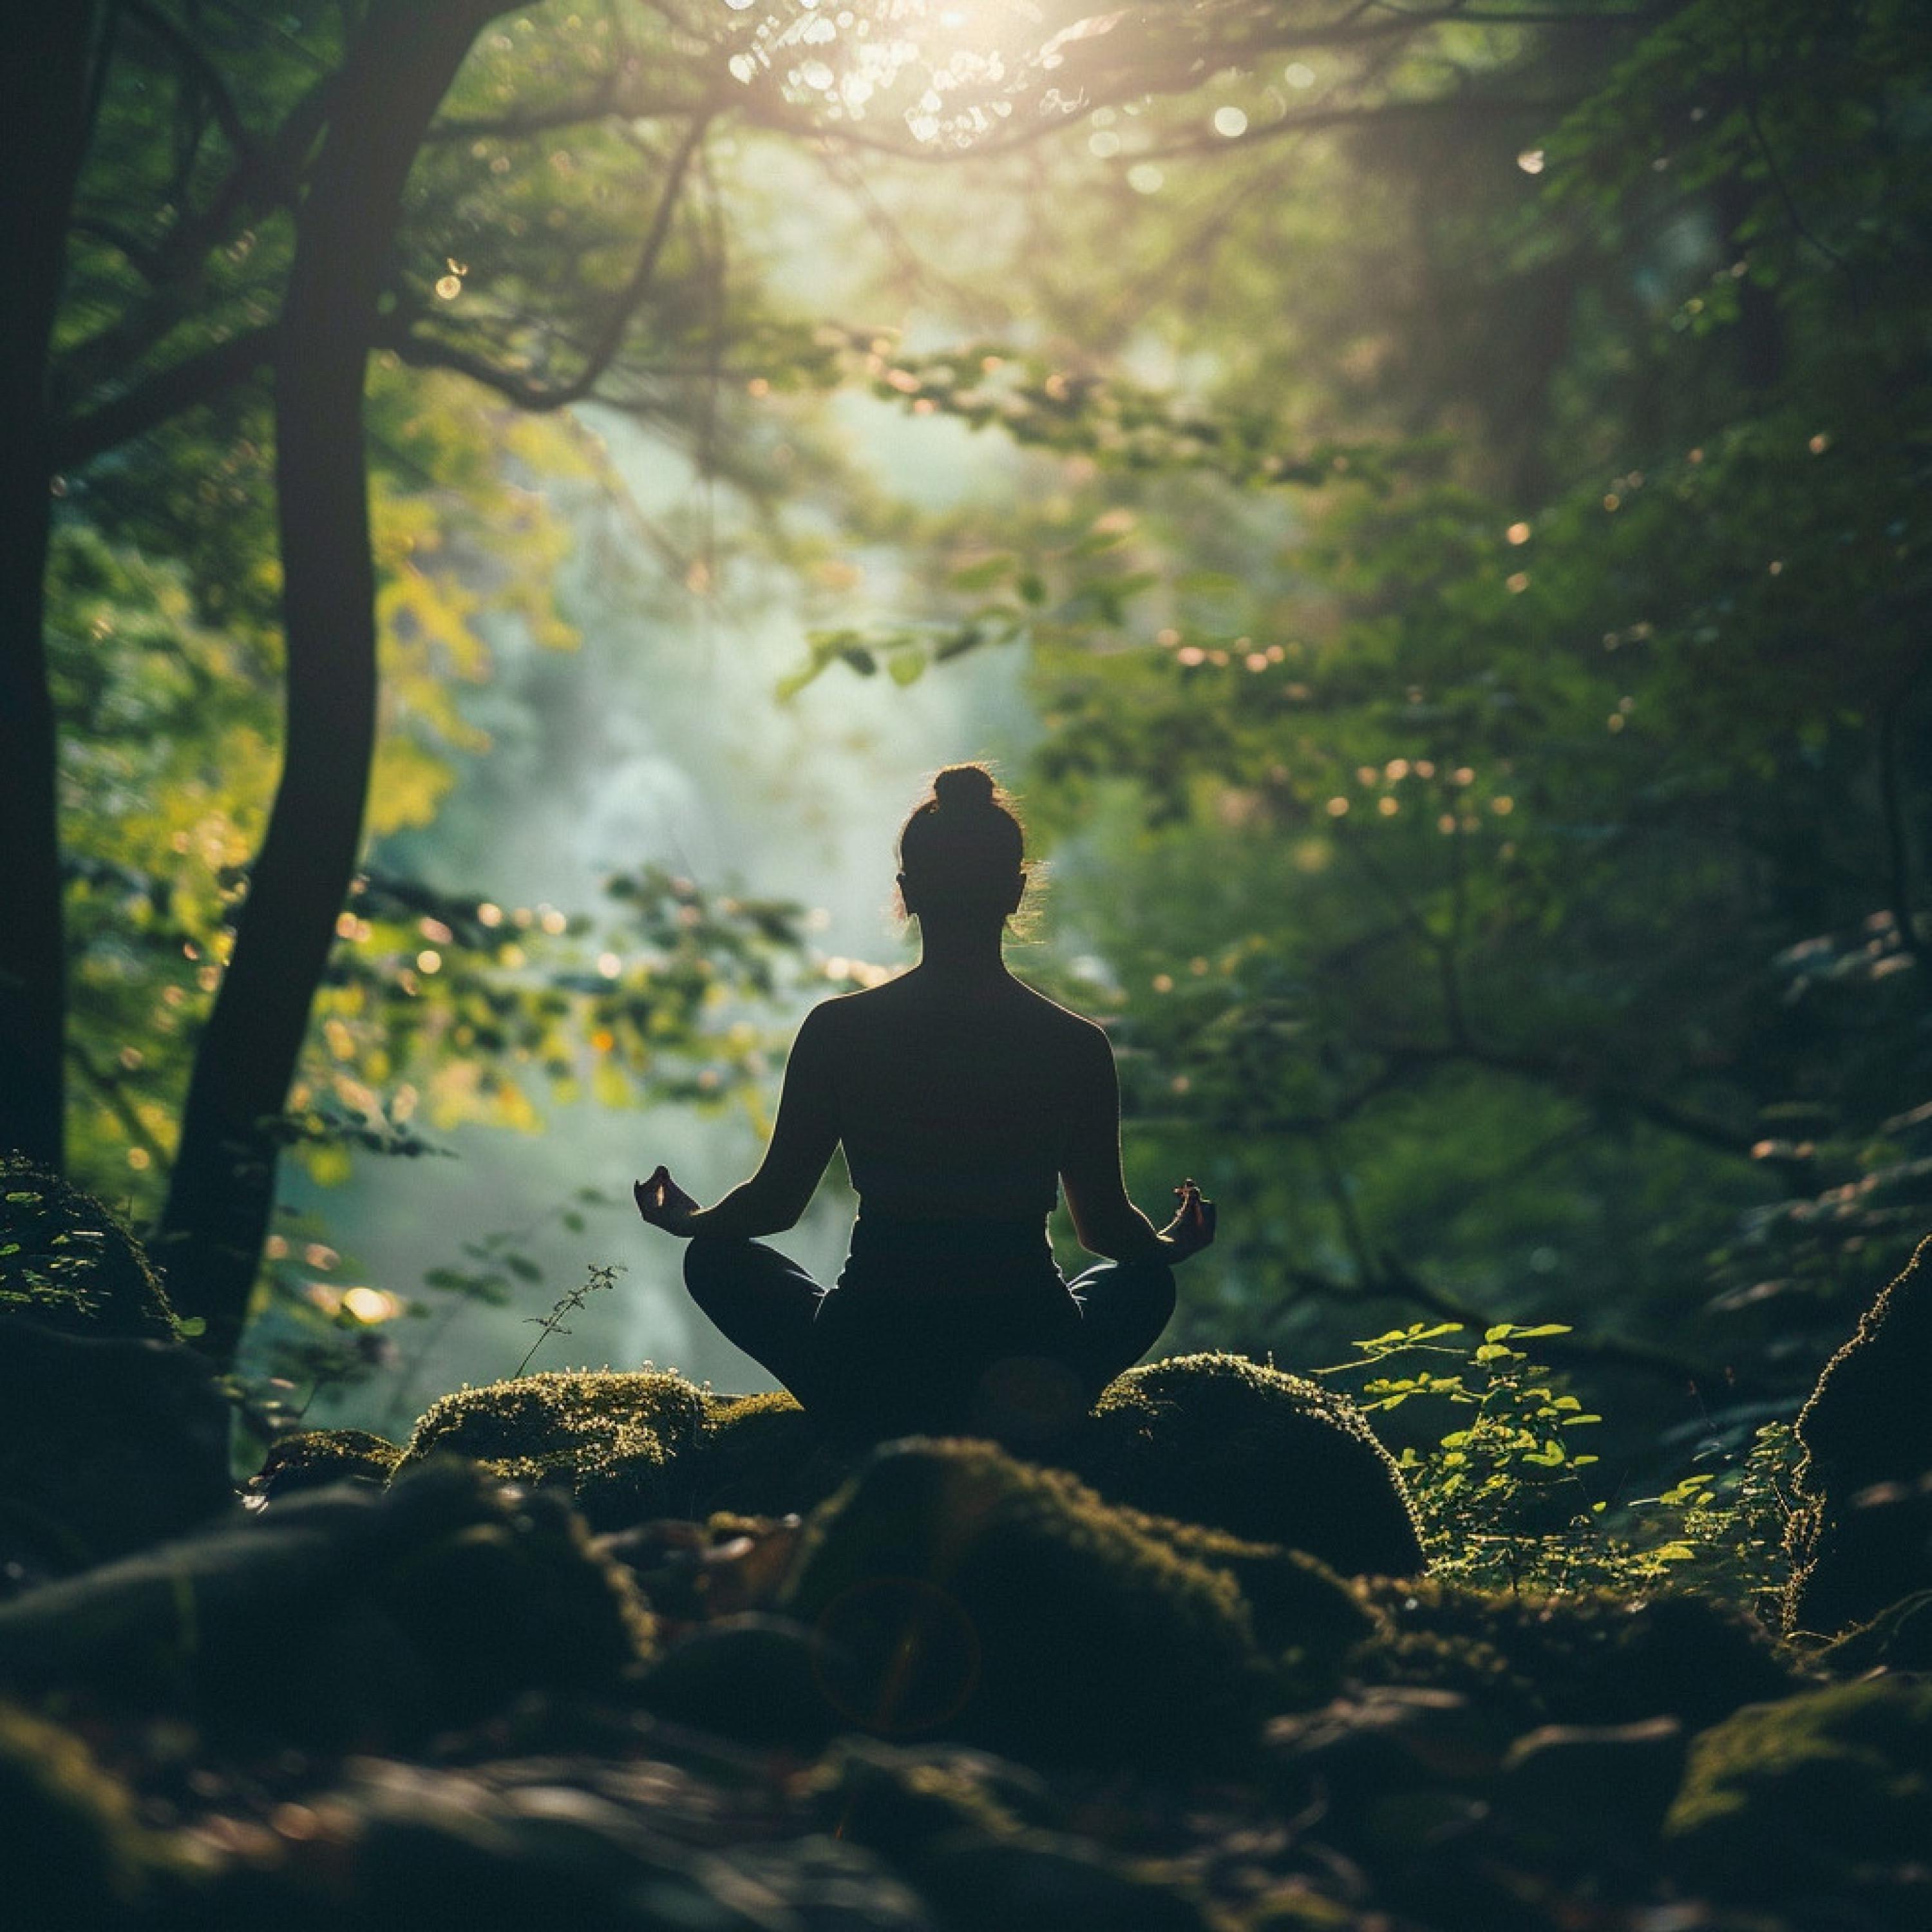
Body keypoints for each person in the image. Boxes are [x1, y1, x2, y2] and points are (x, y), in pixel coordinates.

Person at [633, 763, 1215, 1444]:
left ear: (907, 894)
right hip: (1029, 1346)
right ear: (1015, 892)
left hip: (868, 1355)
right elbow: (1107, 1232)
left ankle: (865, 1412)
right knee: (1144, 1285)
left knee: (713, 1260)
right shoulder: (1073, 1045)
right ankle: (1024, 1407)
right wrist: (1171, 1244)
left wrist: (690, 1222)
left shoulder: (839, 1031)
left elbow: (774, 1205)